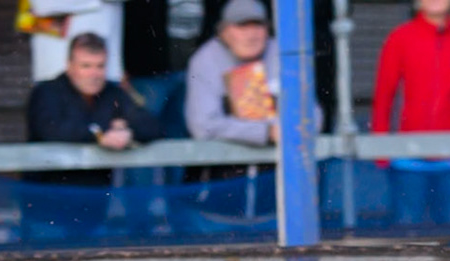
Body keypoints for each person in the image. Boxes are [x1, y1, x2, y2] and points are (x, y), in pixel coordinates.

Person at [373, 0, 450, 228]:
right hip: (409, 158)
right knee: (407, 229)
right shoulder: (400, 38)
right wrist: (380, 146)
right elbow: (384, 96)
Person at [27, 31, 163, 186]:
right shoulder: (47, 91)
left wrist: (127, 132)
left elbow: (152, 125)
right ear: (69, 65)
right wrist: (100, 133)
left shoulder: (112, 92)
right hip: (48, 193)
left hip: (95, 196)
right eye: (86, 66)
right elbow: (50, 129)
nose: (94, 74)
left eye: (100, 66)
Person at [184, 0, 278, 147]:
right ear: (224, 32)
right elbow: (202, 126)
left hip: (280, 162)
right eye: (242, 26)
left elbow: (313, 114)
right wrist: (266, 132)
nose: (251, 35)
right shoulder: (206, 59)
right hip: (227, 165)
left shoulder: (279, 52)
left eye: (257, 26)